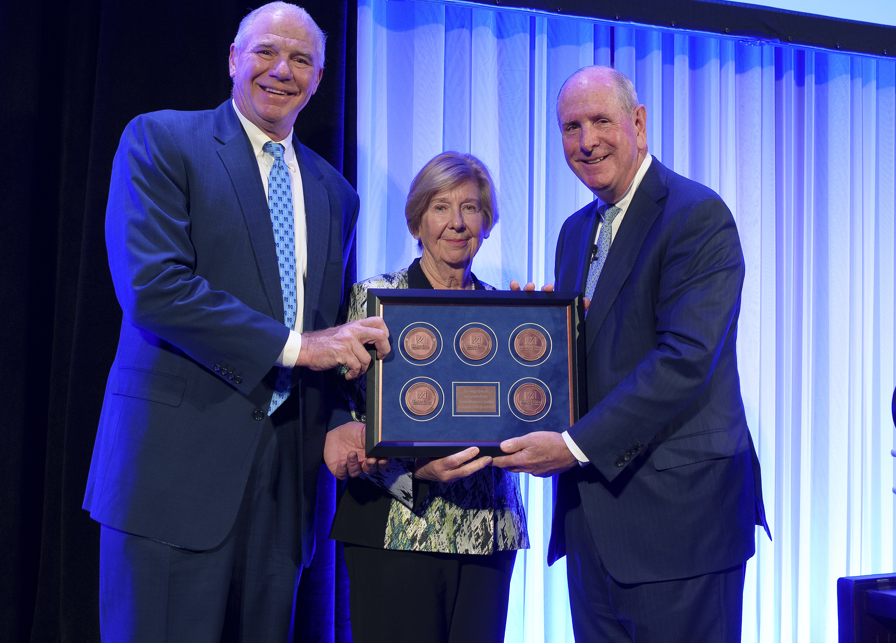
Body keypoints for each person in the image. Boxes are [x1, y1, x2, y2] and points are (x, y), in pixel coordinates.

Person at [84, 1, 389, 642]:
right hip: (172, 471)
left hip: (285, 488)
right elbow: (154, 289)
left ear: (319, 77)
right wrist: (299, 348)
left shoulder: (335, 192)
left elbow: (326, 326)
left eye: (301, 59)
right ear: (232, 59)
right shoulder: (162, 140)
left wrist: (341, 419)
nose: (282, 70)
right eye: (266, 51)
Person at [494, 66, 768, 642]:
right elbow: (592, 359)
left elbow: (684, 359)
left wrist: (572, 446)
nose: (586, 141)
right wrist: (535, 342)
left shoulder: (696, 215)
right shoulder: (575, 232)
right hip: (593, 525)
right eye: (571, 127)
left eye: (600, 121)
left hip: (683, 526)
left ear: (638, 124)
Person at [329, 152, 528, 643]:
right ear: (417, 221)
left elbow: (528, 415)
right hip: (394, 527)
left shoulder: (510, 313)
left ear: (486, 223)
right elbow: (336, 415)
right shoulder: (371, 300)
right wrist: (412, 470)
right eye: (440, 207)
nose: (457, 222)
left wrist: (551, 344)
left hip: (488, 533)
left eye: (471, 208)